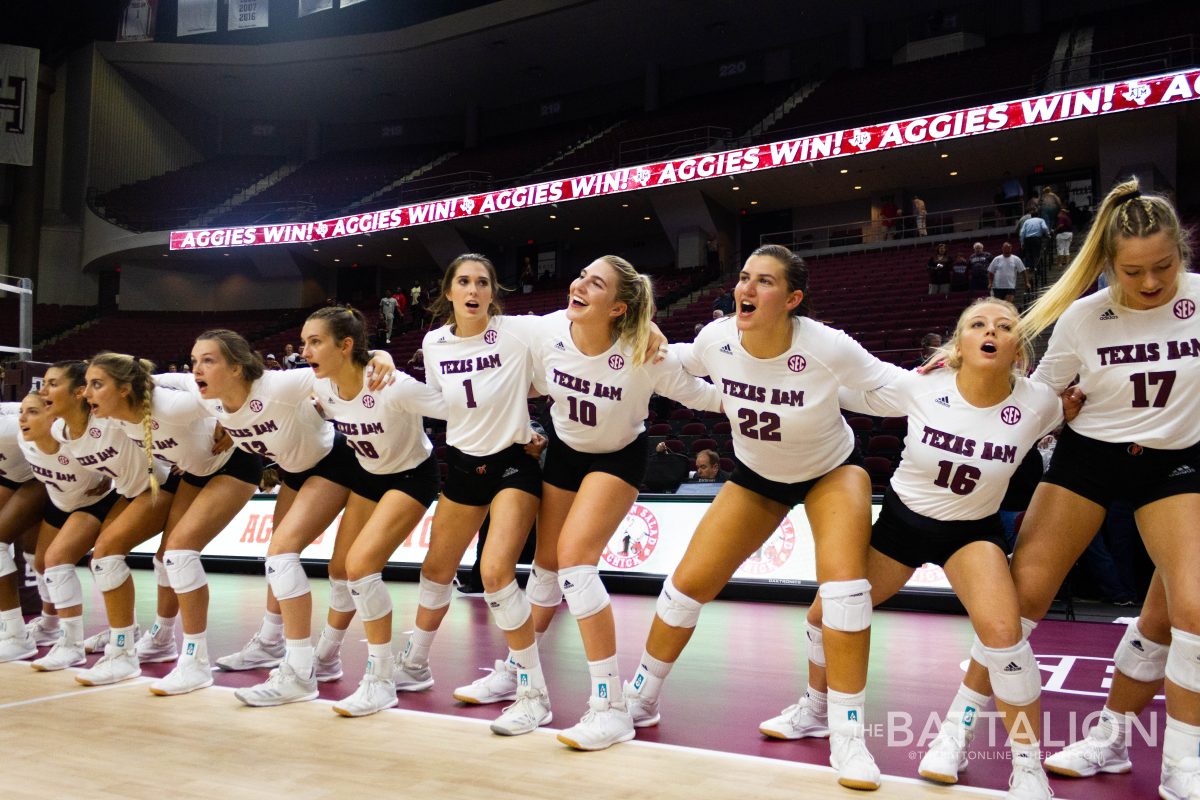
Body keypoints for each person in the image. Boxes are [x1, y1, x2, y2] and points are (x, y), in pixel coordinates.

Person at [927, 178, 1200, 800]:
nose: (1151, 282)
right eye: (1134, 272)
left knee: (1189, 612)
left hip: (1177, 464)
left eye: (1164, 266)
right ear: (1109, 265)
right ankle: (956, 733)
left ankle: (1159, 758)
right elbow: (1038, 398)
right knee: (1018, 601)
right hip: (1089, 460)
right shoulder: (1084, 317)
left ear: (1182, 252)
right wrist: (968, 376)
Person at [622, 244, 903, 790]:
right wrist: (656, 343)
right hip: (756, 476)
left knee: (844, 596)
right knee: (686, 586)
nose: (747, 289)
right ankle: (639, 701)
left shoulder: (826, 345)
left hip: (830, 471)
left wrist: (949, 386)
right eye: (745, 277)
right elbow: (685, 364)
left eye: (765, 282)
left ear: (793, 299)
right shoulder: (717, 337)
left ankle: (843, 733)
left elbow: (889, 384)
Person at [820, 297, 1064, 798]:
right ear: (960, 343)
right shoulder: (922, 386)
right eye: (977, 324)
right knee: (824, 613)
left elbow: (1077, 408)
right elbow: (852, 394)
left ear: (1018, 347)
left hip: (971, 533)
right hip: (901, 527)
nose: (990, 330)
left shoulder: (1041, 403)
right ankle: (811, 706)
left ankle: (1026, 766)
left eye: (1003, 325)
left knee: (1005, 634)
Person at [527, 255, 722, 750]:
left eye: (596, 283)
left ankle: (609, 708)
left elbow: (703, 395)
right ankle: (518, 672)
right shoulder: (544, 332)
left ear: (617, 307)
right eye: (581, 275)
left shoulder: (645, 351)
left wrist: (764, 394)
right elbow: (494, 357)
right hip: (565, 450)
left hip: (618, 457)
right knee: (545, 564)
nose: (579, 284)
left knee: (574, 561)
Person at [155, 329, 395, 706]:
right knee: (277, 557)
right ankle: (270, 644)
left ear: (236, 368)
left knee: (283, 557)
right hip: (293, 472)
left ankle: (300, 674)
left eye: (208, 360)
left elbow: (345, 363)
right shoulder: (207, 396)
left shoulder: (278, 385)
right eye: (194, 360)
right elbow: (161, 380)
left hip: (334, 462)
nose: (196, 369)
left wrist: (383, 356)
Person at [391, 254, 550, 734]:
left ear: (493, 292)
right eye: (464, 281)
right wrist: (384, 365)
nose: (474, 289)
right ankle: (415, 664)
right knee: (436, 570)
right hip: (461, 464)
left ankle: (532, 692)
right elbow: (445, 403)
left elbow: (567, 327)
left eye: (483, 281)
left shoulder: (518, 331)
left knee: (495, 571)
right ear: (450, 291)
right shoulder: (433, 342)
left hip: (512, 463)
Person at [283, 306, 447, 718]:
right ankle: (327, 657)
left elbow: (455, 408)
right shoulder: (321, 387)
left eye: (315, 341)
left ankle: (380, 679)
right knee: (339, 570)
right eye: (303, 342)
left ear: (346, 344)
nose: (305, 350)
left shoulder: (393, 385)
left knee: (360, 567)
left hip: (411, 477)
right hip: (368, 474)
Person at [83, 352, 264, 695]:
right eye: (87, 384)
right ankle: (159, 639)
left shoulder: (169, 406)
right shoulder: (113, 417)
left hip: (235, 463)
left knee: (180, 554)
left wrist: (228, 417)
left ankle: (194, 662)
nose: (88, 393)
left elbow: (222, 389)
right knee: (164, 557)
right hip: (196, 472)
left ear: (124, 389)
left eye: (97, 384)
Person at [32, 360, 171, 676]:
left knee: (109, 555)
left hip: (161, 485)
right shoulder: (59, 429)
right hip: (126, 491)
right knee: (86, 559)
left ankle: (122, 655)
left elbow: (158, 397)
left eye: (53, 383)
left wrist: (221, 429)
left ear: (79, 392)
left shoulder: (110, 419)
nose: (43, 390)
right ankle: (109, 636)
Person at [0, 401, 48, 662]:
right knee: (34, 553)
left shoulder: (9, 427)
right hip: (16, 474)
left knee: (44, 557)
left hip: (45, 474)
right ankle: (49, 626)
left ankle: (16, 636)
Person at [1019, 210, 1051, 281]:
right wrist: (1048, 235)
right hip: (1036, 239)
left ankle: (1031, 269)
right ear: (1038, 215)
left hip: (1027, 239)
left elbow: (1022, 232)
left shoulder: (1027, 222)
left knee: (1029, 254)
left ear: (1031, 216)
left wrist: (1022, 242)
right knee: (1036, 254)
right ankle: (1038, 269)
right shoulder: (1041, 220)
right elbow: (1044, 228)